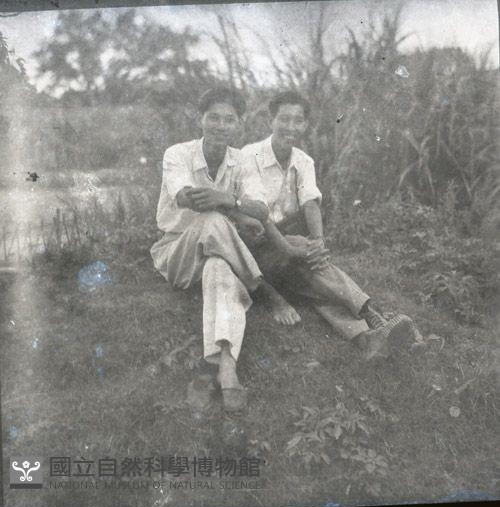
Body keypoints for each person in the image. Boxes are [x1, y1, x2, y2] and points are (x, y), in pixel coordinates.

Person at [240, 91, 417, 359]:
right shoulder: (249, 156)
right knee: (308, 260)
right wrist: (295, 249)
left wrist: (318, 243)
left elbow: (311, 203)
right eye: (284, 119)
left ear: (305, 125)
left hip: (286, 252)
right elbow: (261, 216)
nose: (290, 127)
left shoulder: (303, 160)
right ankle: (372, 314)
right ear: (270, 121)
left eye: (298, 121)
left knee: (315, 285)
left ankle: (367, 338)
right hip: (255, 249)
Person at [150, 87, 269, 411]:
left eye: (229, 119)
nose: (220, 125)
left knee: (219, 269)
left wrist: (229, 200)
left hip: (220, 251)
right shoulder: (178, 154)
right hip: (178, 252)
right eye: (213, 118)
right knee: (214, 219)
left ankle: (226, 366)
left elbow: (261, 210)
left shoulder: (243, 160)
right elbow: (185, 196)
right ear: (200, 120)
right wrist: (231, 209)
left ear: (239, 124)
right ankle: (262, 286)